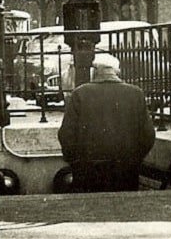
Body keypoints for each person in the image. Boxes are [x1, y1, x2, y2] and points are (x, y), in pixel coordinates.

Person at [57, 54, 155, 193]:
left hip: (87, 171)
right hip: (126, 170)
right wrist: (134, 160)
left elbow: (66, 134)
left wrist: (76, 163)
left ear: (94, 71)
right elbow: (148, 135)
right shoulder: (136, 94)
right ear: (117, 71)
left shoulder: (80, 94)